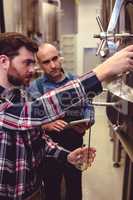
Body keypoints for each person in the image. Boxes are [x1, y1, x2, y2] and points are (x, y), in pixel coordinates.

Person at [0, 32, 133, 199]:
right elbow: (38, 111)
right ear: (4, 61)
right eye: (27, 63)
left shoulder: (20, 95)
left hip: (34, 191)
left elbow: (36, 139)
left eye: (33, 63)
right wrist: (102, 71)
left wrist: (66, 156)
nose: (32, 70)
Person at [28, 43, 95, 200]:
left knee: (74, 186)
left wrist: (88, 121)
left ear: (60, 57)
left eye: (55, 59)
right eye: (46, 62)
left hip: (74, 141)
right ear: (39, 65)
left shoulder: (76, 81)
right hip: (49, 148)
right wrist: (46, 125)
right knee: (52, 188)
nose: (52, 65)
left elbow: (88, 105)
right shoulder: (34, 87)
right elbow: (31, 119)